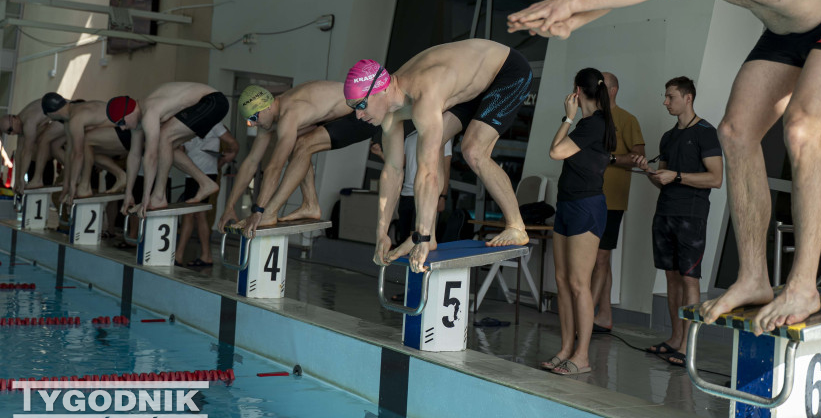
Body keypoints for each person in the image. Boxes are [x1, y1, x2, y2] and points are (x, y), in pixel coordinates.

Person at [508, 0, 821, 334]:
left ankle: (802, 287)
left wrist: (569, 2)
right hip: (786, 31)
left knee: (800, 130)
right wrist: (573, 17)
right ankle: (754, 278)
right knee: (735, 132)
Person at [347, 39, 533, 273]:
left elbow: (427, 173)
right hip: (470, 83)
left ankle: (516, 225)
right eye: (353, 107)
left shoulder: (424, 93)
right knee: (421, 148)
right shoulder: (390, 112)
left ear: (382, 89)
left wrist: (420, 238)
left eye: (361, 104)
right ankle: (429, 234)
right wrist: (381, 233)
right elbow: (393, 170)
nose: (358, 115)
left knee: (473, 150)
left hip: (506, 71)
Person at [634, 77, 722, 366]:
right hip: (665, 212)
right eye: (665, 96)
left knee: (689, 279)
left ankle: (688, 346)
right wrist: (650, 172)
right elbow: (664, 181)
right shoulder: (668, 137)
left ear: (688, 98)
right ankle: (675, 338)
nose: (665, 101)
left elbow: (716, 179)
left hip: (691, 215)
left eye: (670, 96)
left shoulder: (706, 133)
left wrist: (678, 176)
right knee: (670, 277)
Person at [216, 82, 375, 237]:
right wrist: (229, 206)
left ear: (267, 106)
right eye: (249, 121)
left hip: (367, 111)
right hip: (344, 112)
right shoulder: (270, 119)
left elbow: (275, 167)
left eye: (254, 117)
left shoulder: (289, 113)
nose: (252, 124)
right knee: (298, 144)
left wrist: (259, 211)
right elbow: (251, 162)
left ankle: (272, 211)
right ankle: (310, 204)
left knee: (303, 144)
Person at [542, 68, 616, 376]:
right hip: (567, 204)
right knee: (561, 281)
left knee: (578, 284)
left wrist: (567, 117)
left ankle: (582, 356)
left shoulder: (594, 125)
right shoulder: (588, 124)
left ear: (577, 90)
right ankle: (565, 348)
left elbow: (555, 151)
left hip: (587, 206)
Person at [106, 83, 229, 216]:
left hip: (213, 101)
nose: (123, 128)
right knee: (168, 146)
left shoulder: (149, 112)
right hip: (207, 104)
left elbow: (151, 156)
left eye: (121, 122)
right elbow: (134, 156)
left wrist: (145, 198)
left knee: (164, 137)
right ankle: (206, 183)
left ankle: (158, 196)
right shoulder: (139, 120)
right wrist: (128, 194)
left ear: (129, 112)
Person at [592, 71, 645, 333]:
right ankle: (603, 315)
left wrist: (609, 159)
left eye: (602, 85)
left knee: (600, 258)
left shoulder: (627, 119)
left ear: (612, 90)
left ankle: (586, 317)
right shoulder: (592, 117)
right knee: (600, 259)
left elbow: (638, 157)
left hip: (612, 200)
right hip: (588, 196)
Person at [41, 93, 122, 208]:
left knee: (85, 142)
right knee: (86, 147)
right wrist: (67, 184)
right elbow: (70, 153)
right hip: (120, 135)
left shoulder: (75, 118)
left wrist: (73, 185)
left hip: (128, 132)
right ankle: (119, 175)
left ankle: (85, 185)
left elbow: (78, 154)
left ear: (52, 113)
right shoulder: (71, 115)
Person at [176, 122, 238, 267]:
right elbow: (182, 150)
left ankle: (181, 255)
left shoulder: (215, 124)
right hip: (191, 175)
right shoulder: (188, 126)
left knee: (195, 214)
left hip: (207, 174)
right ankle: (205, 255)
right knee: (195, 214)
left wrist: (224, 159)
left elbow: (233, 143)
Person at [1, 98, 54, 194]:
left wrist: (21, 178)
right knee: (42, 144)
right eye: (8, 133)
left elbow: (27, 151)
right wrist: (17, 181)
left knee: (43, 141)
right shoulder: (20, 122)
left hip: (70, 115)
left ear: (14, 119)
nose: (12, 133)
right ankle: (37, 179)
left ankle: (38, 179)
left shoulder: (28, 122)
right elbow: (19, 154)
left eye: (10, 129)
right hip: (63, 121)